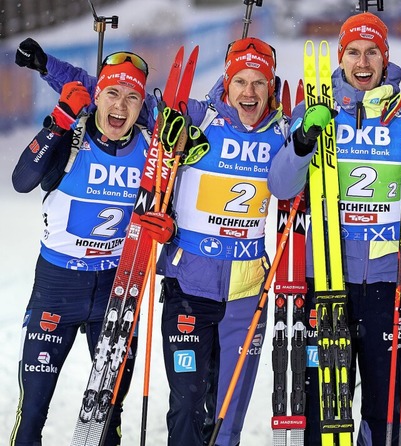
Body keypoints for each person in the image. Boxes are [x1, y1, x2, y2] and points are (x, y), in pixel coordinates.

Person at [14, 35, 336, 446]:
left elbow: (287, 183)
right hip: (183, 284)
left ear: (271, 87)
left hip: (244, 288)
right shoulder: (193, 118)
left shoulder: (281, 130)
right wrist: (47, 66)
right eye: (241, 81)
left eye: (260, 82)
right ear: (226, 81)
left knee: (225, 412)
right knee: (184, 405)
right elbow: (107, 91)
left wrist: (306, 137)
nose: (250, 91)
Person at [268, 12, 401, 446]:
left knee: (385, 412)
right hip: (327, 279)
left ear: (386, 60)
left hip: (391, 284)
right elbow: (280, 184)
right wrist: (304, 140)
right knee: (324, 407)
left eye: (372, 53)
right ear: (341, 57)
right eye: (353, 52)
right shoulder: (314, 110)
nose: (362, 62)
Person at [10, 51, 149, 446]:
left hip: (116, 289)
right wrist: (57, 123)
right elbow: (22, 180)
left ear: (142, 106)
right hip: (57, 287)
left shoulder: (149, 149)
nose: (120, 106)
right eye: (112, 93)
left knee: (108, 412)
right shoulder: (71, 137)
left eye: (131, 98)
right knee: (33, 408)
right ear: (96, 94)